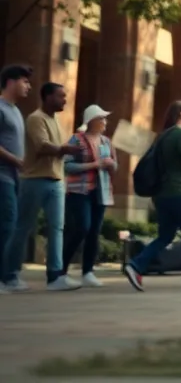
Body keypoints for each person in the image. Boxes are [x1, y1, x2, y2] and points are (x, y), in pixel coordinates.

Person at [124, 101, 181, 291]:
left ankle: (135, 265)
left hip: (161, 195)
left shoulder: (163, 136)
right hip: (179, 193)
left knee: (165, 236)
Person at [3, 81, 81, 292]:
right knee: (23, 228)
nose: (64, 100)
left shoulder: (56, 120)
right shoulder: (36, 118)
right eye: (60, 96)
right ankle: (9, 275)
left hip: (55, 180)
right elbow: (42, 146)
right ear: (47, 97)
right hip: (34, 180)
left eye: (64, 96)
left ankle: (55, 276)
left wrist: (65, 151)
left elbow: (56, 150)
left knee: (57, 228)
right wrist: (66, 149)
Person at [62, 104, 115, 288]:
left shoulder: (106, 142)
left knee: (94, 231)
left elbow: (114, 166)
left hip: (101, 191)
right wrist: (94, 165)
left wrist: (109, 164)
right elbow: (67, 166)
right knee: (81, 227)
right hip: (79, 190)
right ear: (91, 120)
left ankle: (88, 272)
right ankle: (61, 269)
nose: (105, 122)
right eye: (101, 118)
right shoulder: (77, 139)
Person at [0, 65, 32, 293]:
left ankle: (9, 276)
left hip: (15, 177)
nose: (28, 86)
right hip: (2, 175)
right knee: (7, 225)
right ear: (10, 82)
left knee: (10, 226)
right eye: (24, 81)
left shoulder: (16, 111)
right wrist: (14, 159)